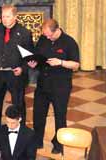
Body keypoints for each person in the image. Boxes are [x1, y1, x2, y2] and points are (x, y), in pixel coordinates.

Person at [0, 4, 33, 137]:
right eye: (3, 16)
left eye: (7, 16)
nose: (4, 19)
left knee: (18, 103)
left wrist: (22, 68)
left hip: (15, 74)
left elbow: (30, 56)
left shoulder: (24, 33)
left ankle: (19, 130)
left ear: (15, 17)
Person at [29, 19, 80, 154]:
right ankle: (38, 140)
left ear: (57, 30)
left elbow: (75, 65)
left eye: (49, 35)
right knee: (38, 114)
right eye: (45, 35)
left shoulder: (69, 42)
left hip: (60, 86)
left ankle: (58, 144)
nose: (47, 37)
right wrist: (34, 63)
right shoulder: (43, 39)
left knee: (60, 116)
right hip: (43, 84)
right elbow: (38, 57)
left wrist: (61, 62)